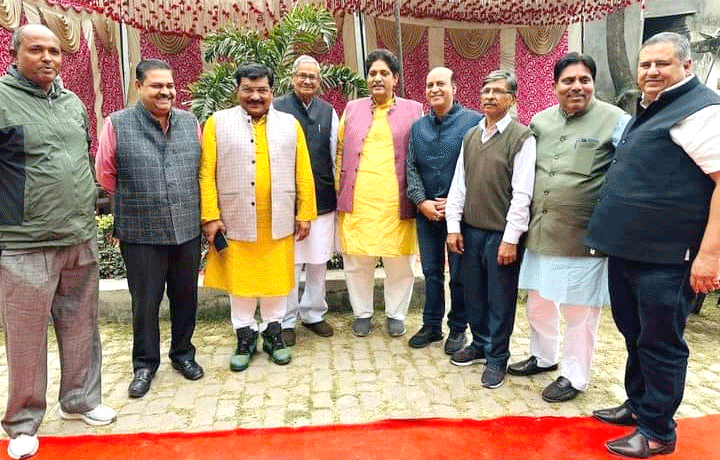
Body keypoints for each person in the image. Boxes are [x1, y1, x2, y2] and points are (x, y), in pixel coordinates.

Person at [586, 32, 720, 458]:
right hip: (630, 252)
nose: (651, 71)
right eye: (645, 64)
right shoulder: (651, 108)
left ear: (687, 66)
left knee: (660, 343)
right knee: (634, 333)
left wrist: (710, 256)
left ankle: (658, 430)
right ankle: (639, 405)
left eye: (663, 63)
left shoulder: (701, 111)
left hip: (668, 257)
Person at [0, 24, 116, 459]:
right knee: (26, 336)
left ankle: (80, 401)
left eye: (55, 50)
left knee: (81, 325)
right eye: (37, 50)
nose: (48, 57)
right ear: (15, 54)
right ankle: (23, 422)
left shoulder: (72, 103)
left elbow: (82, 158)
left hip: (78, 235)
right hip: (24, 242)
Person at [507, 53, 630, 402]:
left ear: (593, 83)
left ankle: (574, 377)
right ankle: (543, 356)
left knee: (580, 310)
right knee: (538, 302)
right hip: (542, 230)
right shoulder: (540, 122)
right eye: (568, 81)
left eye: (584, 80)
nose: (577, 86)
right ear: (555, 86)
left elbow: (629, 170)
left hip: (584, 235)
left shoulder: (616, 120)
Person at [95, 59, 204, 399]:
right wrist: (142, 196)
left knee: (186, 297)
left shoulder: (190, 122)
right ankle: (144, 364)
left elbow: (199, 169)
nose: (165, 91)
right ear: (139, 87)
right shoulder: (117, 124)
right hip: (140, 232)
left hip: (186, 228)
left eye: (169, 85)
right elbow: (105, 174)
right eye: (157, 85)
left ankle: (183, 354)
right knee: (145, 302)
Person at [199, 63, 316, 372]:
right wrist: (210, 216)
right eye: (248, 90)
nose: (255, 96)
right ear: (237, 90)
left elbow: (303, 172)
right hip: (235, 220)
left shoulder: (290, 124)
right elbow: (206, 173)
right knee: (241, 283)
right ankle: (245, 337)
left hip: (278, 219)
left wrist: (305, 213)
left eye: (262, 90)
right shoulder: (217, 123)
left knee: (276, 281)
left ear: (272, 92)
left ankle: (274, 335)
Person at [445, 70, 535, 388]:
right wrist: (453, 227)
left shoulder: (522, 138)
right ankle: (481, 344)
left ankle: (497, 357)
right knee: (474, 293)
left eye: (498, 91)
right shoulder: (471, 136)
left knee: (500, 299)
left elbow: (523, 194)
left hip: (500, 234)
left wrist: (511, 239)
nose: (489, 96)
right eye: (485, 91)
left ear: (512, 99)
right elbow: (459, 184)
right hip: (471, 231)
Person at [336, 49, 424, 337]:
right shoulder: (352, 109)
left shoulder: (413, 110)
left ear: (395, 78)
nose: (377, 78)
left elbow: (421, 151)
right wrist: (339, 187)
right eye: (372, 73)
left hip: (396, 199)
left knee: (400, 262)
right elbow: (340, 150)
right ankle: (362, 313)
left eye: (384, 73)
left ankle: (396, 313)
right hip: (359, 199)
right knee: (357, 261)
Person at [405, 67, 484, 354]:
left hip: (460, 215)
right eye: (429, 85)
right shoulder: (418, 128)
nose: (434, 89)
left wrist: (455, 200)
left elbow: (479, 167)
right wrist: (420, 201)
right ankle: (431, 325)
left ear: (454, 88)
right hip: (427, 213)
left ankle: (458, 328)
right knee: (431, 271)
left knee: (459, 274)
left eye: (441, 84)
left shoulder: (474, 122)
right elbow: (411, 167)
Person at [273, 55, 338, 346]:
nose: (307, 81)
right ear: (292, 78)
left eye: (312, 77)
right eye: (302, 75)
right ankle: (286, 319)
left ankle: (313, 313)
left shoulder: (328, 111)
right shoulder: (277, 108)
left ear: (319, 81)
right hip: (288, 201)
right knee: (290, 263)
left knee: (318, 260)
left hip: (323, 197)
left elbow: (334, 155)